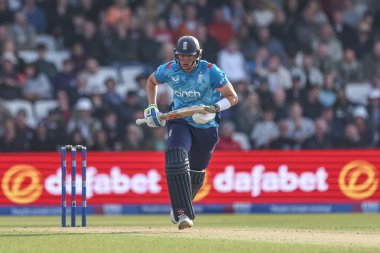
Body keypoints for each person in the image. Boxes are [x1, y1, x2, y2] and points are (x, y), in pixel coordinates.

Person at [143, 36, 238, 230]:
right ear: (176, 56)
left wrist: (215, 108)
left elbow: (232, 97)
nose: (185, 61)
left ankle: (181, 205)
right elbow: (151, 81)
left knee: (196, 173)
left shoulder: (211, 71)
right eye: (182, 56)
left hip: (206, 125)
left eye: (189, 56)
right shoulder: (170, 69)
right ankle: (183, 213)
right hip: (180, 121)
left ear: (197, 55)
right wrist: (152, 107)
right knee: (176, 157)